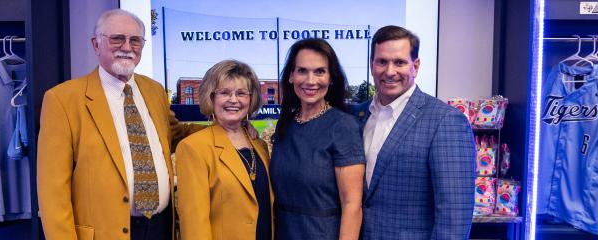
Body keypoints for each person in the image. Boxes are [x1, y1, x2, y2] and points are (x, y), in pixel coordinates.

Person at [37, 9, 208, 240]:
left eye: (135, 40)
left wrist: (228, 130)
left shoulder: (154, 90)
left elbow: (176, 134)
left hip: (160, 227)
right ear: (95, 44)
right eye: (117, 38)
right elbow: (52, 193)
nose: (127, 47)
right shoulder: (63, 100)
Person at [354, 25, 475, 240]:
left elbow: (453, 218)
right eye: (382, 61)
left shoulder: (446, 121)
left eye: (399, 62)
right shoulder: (357, 115)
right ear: (372, 65)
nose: (389, 71)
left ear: (415, 66)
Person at [270, 38, 365, 240]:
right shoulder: (286, 123)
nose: (310, 81)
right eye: (302, 70)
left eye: (320, 71)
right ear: (291, 76)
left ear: (331, 78)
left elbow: (352, 206)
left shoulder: (343, 126)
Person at [175, 60, 272, 240]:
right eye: (225, 93)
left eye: (241, 93)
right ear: (211, 98)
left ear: (251, 99)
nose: (233, 100)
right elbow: (194, 226)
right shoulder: (193, 148)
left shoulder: (259, 146)